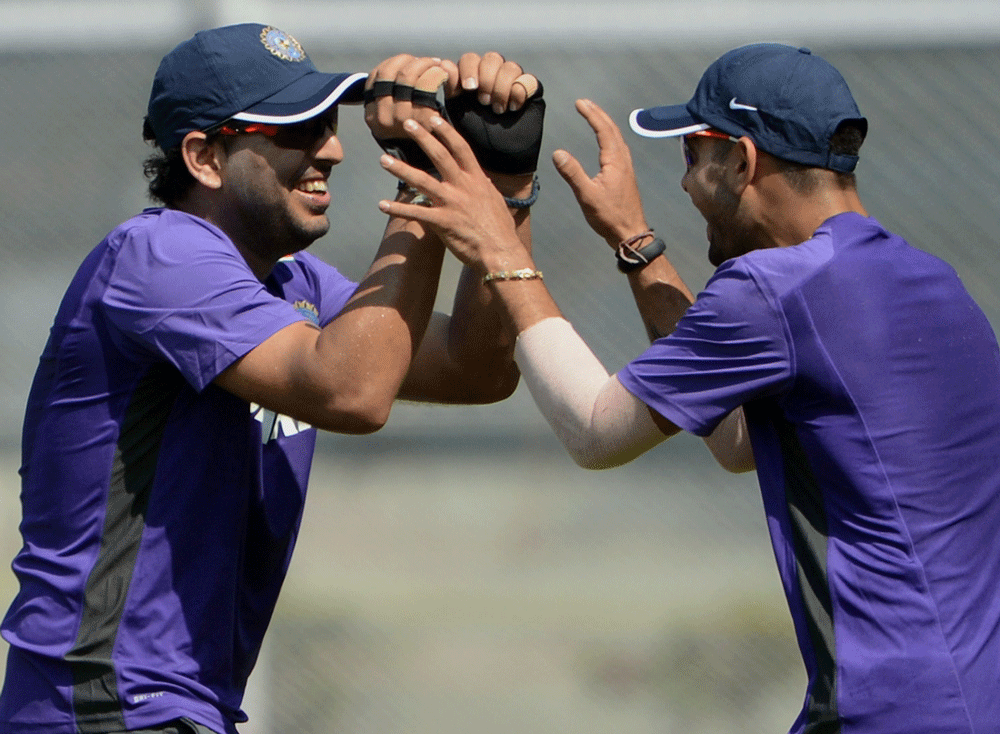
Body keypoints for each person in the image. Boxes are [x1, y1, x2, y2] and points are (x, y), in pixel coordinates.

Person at [377, 43, 1000, 734]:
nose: (682, 183)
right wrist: (634, 242)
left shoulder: (774, 288)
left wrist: (500, 248)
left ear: (742, 162)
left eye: (692, 155)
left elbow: (594, 430)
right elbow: (737, 440)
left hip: (889, 712)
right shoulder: (933, 282)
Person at [0, 23, 544, 734]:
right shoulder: (158, 255)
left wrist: (504, 187)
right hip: (104, 702)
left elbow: (478, 369)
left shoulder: (294, 283)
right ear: (204, 157)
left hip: (172, 705)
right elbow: (353, 391)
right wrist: (420, 175)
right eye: (294, 130)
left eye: (328, 123)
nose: (332, 149)